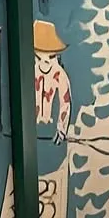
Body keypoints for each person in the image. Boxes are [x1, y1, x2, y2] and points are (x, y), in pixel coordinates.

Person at [33, 20, 72, 177]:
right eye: (39, 56)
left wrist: (61, 129)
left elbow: (65, 104)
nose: (45, 61)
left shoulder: (60, 75)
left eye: (51, 56)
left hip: (53, 132)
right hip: (32, 132)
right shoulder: (30, 71)